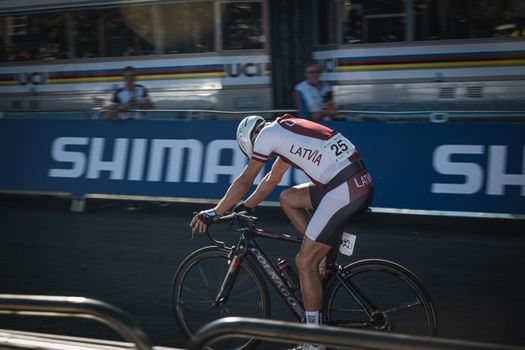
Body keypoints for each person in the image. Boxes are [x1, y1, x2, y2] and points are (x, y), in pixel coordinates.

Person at [190, 114, 374, 350]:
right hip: (355, 180)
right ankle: (323, 252)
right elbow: (272, 179)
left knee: (305, 261)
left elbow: (245, 181)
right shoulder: (282, 131)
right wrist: (246, 206)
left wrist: (215, 212)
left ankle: (314, 342)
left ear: (250, 140)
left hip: (344, 188)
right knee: (288, 198)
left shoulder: (266, 136)